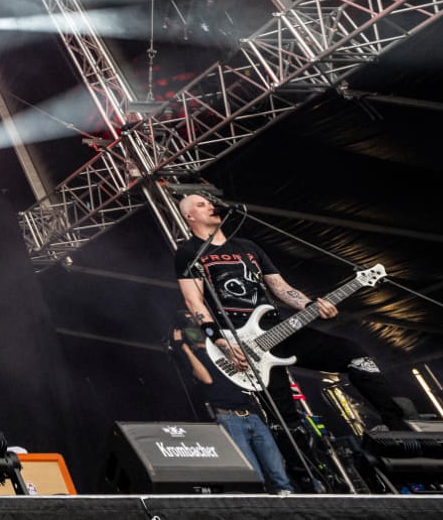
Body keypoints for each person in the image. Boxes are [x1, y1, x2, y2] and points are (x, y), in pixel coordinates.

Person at [173, 193, 406, 430]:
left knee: (356, 355)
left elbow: (280, 287)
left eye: (210, 203)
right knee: (284, 419)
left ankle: (397, 424)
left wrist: (310, 305)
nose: (210, 206)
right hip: (241, 341)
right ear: (189, 216)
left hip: (277, 328)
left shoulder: (248, 247)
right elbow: (194, 302)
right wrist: (221, 342)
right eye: (201, 205)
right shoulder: (188, 253)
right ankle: (296, 452)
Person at [171, 313, 292, 493]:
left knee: (278, 472)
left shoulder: (224, 350)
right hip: (229, 418)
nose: (194, 327)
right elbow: (206, 378)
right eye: (189, 324)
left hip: (252, 414)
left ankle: (289, 498)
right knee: (253, 476)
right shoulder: (195, 356)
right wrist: (183, 346)